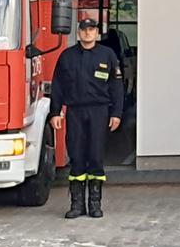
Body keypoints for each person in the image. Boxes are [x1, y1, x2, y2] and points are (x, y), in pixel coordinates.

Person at [49, 18, 124, 219]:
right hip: (75, 112)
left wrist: (116, 113)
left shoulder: (107, 55)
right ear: (79, 33)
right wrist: (55, 112)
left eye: (92, 29)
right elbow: (57, 86)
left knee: (96, 156)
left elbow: (116, 88)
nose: (88, 33)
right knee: (77, 156)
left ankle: (95, 204)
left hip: (99, 112)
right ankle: (77, 205)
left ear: (97, 32)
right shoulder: (67, 57)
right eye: (84, 30)